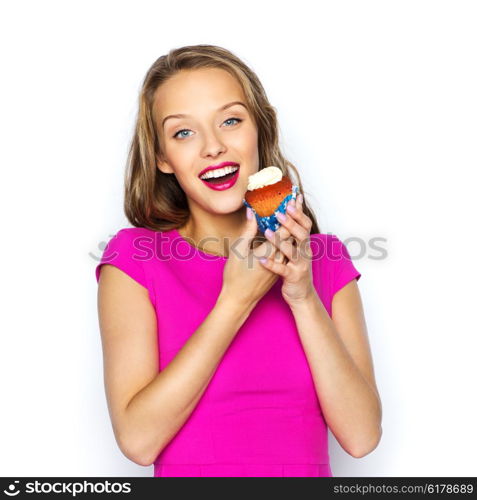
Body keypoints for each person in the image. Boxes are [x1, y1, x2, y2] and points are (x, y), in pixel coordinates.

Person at [95, 44, 382, 477]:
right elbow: (138, 441)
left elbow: (361, 438)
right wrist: (234, 301)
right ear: (161, 158)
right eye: (183, 133)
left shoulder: (324, 260)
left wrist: (303, 297)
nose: (213, 147)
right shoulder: (136, 259)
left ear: (260, 131)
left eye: (230, 120)